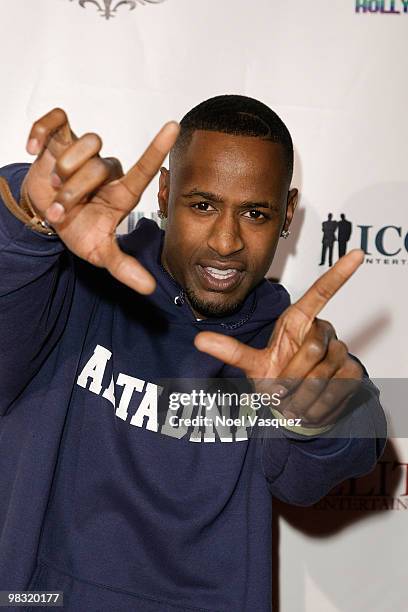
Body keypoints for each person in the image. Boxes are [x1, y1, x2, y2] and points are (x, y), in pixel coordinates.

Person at [0, 95, 386, 611]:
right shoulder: (72, 287)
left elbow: (325, 467)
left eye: (255, 213)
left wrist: (320, 418)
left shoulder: (286, 353)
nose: (226, 242)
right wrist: (31, 219)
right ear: (164, 193)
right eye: (202, 205)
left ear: (288, 214)